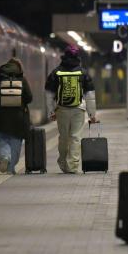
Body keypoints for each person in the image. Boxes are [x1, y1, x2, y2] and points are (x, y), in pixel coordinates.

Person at [45, 45, 97, 174]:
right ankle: (72, 165)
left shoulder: (56, 72)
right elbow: (90, 96)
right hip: (78, 109)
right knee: (75, 137)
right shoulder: (83, 72)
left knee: (63, 137)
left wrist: (51, 111)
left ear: (64, 56)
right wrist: (92, 114)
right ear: (77, 57)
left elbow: (49, 94)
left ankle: (63, 163)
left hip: (61, 109)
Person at [0, 50, 33, 174]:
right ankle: (11, 168)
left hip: (0, 116)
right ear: (19, 67)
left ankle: (4, 157)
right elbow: (29, 97)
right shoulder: (22, 78)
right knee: (16, 142)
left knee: (1, 139)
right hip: (19, 117)